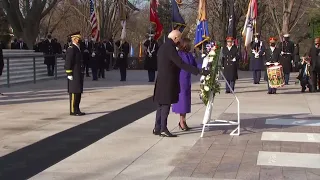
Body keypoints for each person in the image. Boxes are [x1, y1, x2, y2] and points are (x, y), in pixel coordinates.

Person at [153, 30, 210, 137]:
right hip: (168, 81)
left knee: (160, 105)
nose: (179, 42)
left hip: (161, 79)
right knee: (165, 105)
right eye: (179, 39)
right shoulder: (170, 49)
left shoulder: (163, 47)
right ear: (175, 38)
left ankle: (157, 127)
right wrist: (199, 71)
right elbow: (181, 63)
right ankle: (163, 128)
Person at [171, 38, 197, 131]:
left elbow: (195, 65)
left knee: (186, 102)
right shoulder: (179, 54)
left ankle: (183, 121)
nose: (190, 46)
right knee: (182, 102)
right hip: (180, 80)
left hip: (187, 81)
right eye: (189, 44)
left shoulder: (189, 55)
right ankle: (181, 122)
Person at [65, 31, 85, 116]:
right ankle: (73, 110)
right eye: (78, 39)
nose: (79, 40)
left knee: (78, 92)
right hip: (74, 74)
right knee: (74, 92)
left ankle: (77, 109)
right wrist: (69, 73)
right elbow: (68, 62)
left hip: (78, 73)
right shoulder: (71, 49)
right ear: (74, 39)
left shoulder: (77, 48)